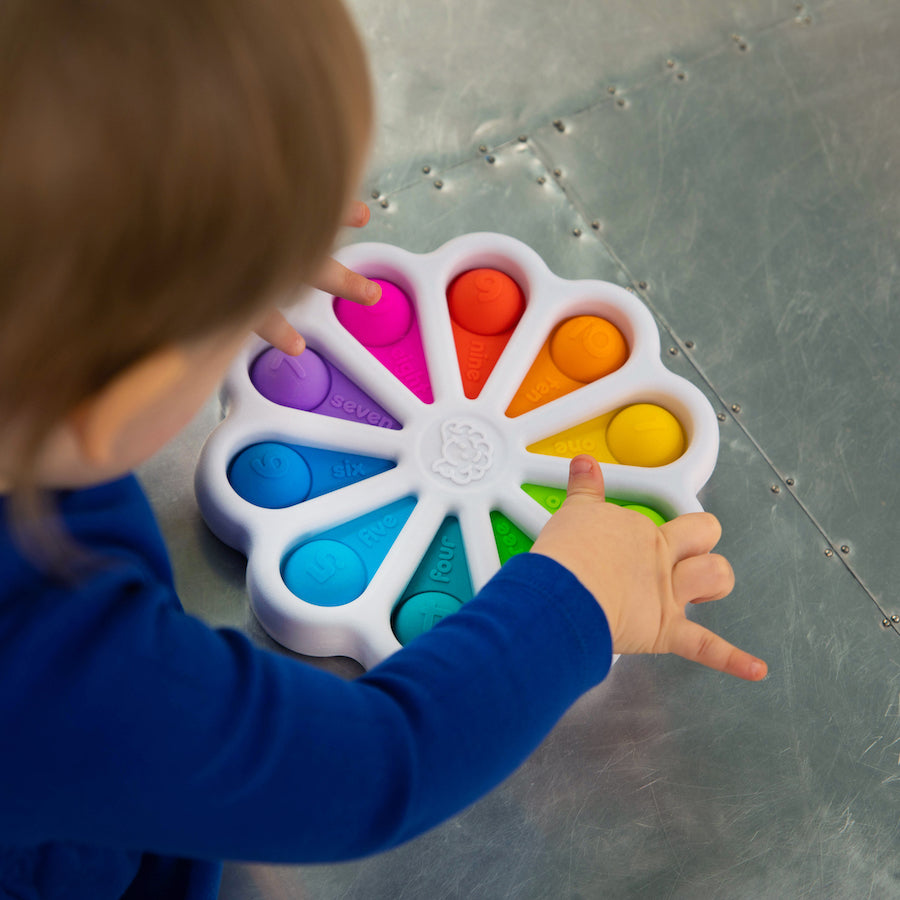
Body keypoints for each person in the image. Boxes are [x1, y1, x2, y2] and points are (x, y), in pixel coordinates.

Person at [0, 0, 767, 897]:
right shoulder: (66, 680)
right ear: (111, 394)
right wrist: (576, 600)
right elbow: (377, 764)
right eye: (226, 319)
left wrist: (168, 284)